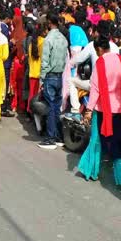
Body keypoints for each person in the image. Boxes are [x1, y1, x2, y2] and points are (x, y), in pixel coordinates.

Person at [79, 35, 121, 183]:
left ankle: (91, 172)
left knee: (96, 140)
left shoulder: (100, 62)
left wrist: (89, 110)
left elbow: (95, 88)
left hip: (104, 109)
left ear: (99, 49)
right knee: (119, 143)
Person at [39, 13, 68, 149]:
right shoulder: (63, 39)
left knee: (51, 107)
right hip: (59, 75)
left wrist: (42, 79)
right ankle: (57, 136)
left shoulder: (48, 39)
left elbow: (44, 61)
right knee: (56, 107)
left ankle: (50, 137)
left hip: (50, 75)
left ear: (50, 23)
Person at [9, 13, 28, 113]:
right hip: (23, 63)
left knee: (14, 85)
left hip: (15, 62)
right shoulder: (25, 34)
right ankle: (22, 105)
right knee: (22, 85)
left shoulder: (13, 33)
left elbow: (11, 49)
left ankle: (14, 105)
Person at [27, 21, 46, 106]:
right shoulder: (43, 42)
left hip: (32, 72)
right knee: (38, 95)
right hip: (40, 72)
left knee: (31, 94)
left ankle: (30, 110)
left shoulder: (31, 43)